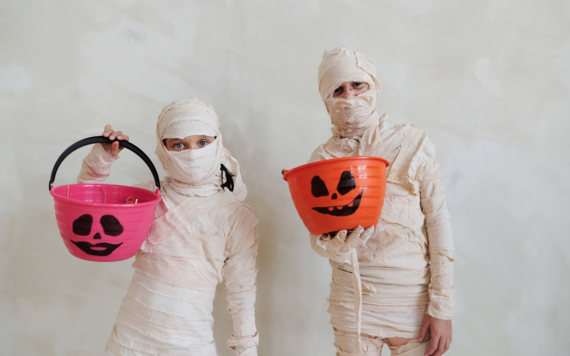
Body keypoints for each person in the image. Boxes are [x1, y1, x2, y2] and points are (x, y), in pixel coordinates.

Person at [77, 98, 259, 356]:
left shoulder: (235, 214)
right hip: (130, 340)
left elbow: (242, 294)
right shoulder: (148, 197)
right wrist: (102, 158)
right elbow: (87, 213)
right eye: (179, 144)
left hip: (192, 345)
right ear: (164, 149)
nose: (193, 152)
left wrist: (246, 351)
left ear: (217, 142)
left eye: (202, 142)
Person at [308, 47, 455, 356]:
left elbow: (438, 222)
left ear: (372, 85)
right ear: (326, 99)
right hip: (352, 303)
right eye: (338, 89)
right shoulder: (322, 161)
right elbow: (318, 233)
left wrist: (442, 308)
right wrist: (330, 246)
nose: (348, 96)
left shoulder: (412, 144)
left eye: (356, 84)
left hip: (412, 300)